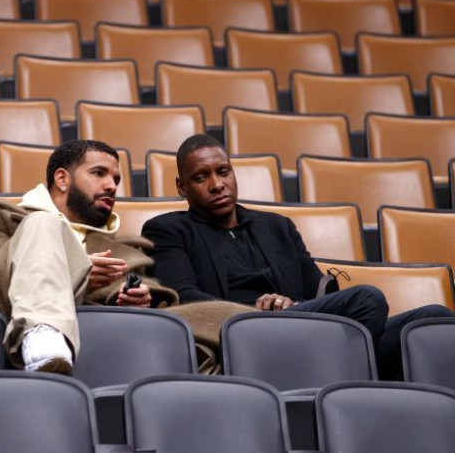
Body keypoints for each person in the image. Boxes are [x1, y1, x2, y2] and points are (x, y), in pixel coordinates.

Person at [142, 134, 455, 380]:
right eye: (201, 177)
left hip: (305, 328)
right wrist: (256, 309)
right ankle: (347, 384)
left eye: (223, 171)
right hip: (243, 335)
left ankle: (334, 376)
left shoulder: (277, 226)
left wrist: (290, 307)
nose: (217, 184)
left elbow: (318, 289)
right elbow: (185, 298)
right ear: (182, 187)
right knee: (367, 299)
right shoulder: (167, 229)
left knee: (435, 318)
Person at [0, 140, 188, 374]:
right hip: (6, 343)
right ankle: (42, 332)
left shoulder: (124, 246)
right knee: (42, 222)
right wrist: (74, 273)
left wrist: (139, 298)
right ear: (62, 179)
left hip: (108, 347)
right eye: (99, 173)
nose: (112, 186)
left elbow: (150, 295)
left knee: (216, 316)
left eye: (116, 179)